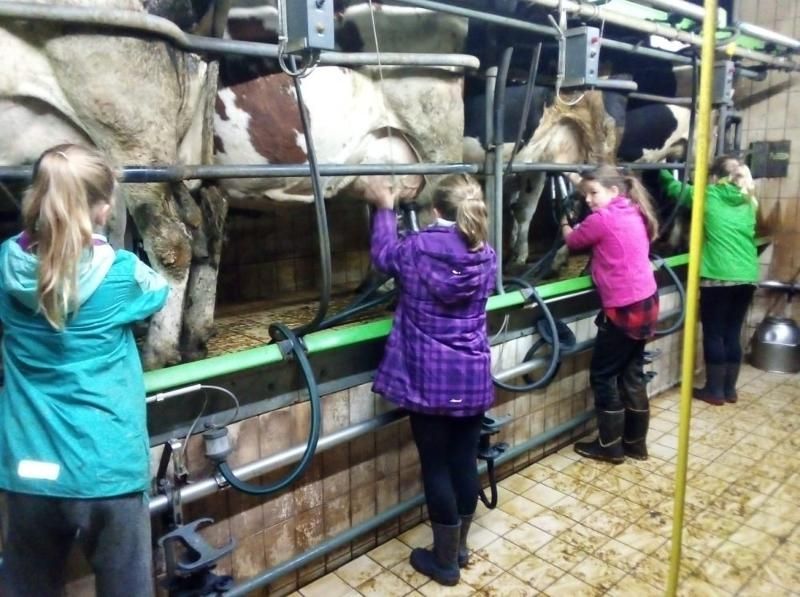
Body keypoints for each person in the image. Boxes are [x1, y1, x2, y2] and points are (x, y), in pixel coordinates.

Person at [0, 144, 169, 597]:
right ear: (101, 209)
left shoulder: (4, 264)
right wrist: (98, 244)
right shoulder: (121, 274)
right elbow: (159, 292)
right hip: (106, 468)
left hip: (29, 469)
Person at [367, 174, 496, 586]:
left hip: (429, 381)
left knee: (436, 466)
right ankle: (458, 546)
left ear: (435, 210)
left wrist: (384, 208)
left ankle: (444, 563)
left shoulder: (418, 247)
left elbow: (384, 256)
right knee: (463, 461)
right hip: (472, 377)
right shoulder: (485, 252)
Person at [561, 165, 660, 464]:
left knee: (603, 375)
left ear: (614, 191)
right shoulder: (633, 210)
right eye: (585, 194)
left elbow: (574, 242)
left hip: (623, 307)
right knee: (631, 373)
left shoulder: (602, 219)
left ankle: (610, 447)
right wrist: (580, 183)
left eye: (594, 193)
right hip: (646, 301)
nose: (589, 200)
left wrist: (565, 223)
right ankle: (635, 444)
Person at [659, 155, 760, 405]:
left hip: (718, 275)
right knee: (732, 333)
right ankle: (729, 390)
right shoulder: (749, 200)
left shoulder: (710, 195)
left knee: (714, 333)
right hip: (747, 275)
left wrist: (660, 167)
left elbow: (676, 189)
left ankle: (714, 391)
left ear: (715, 177)